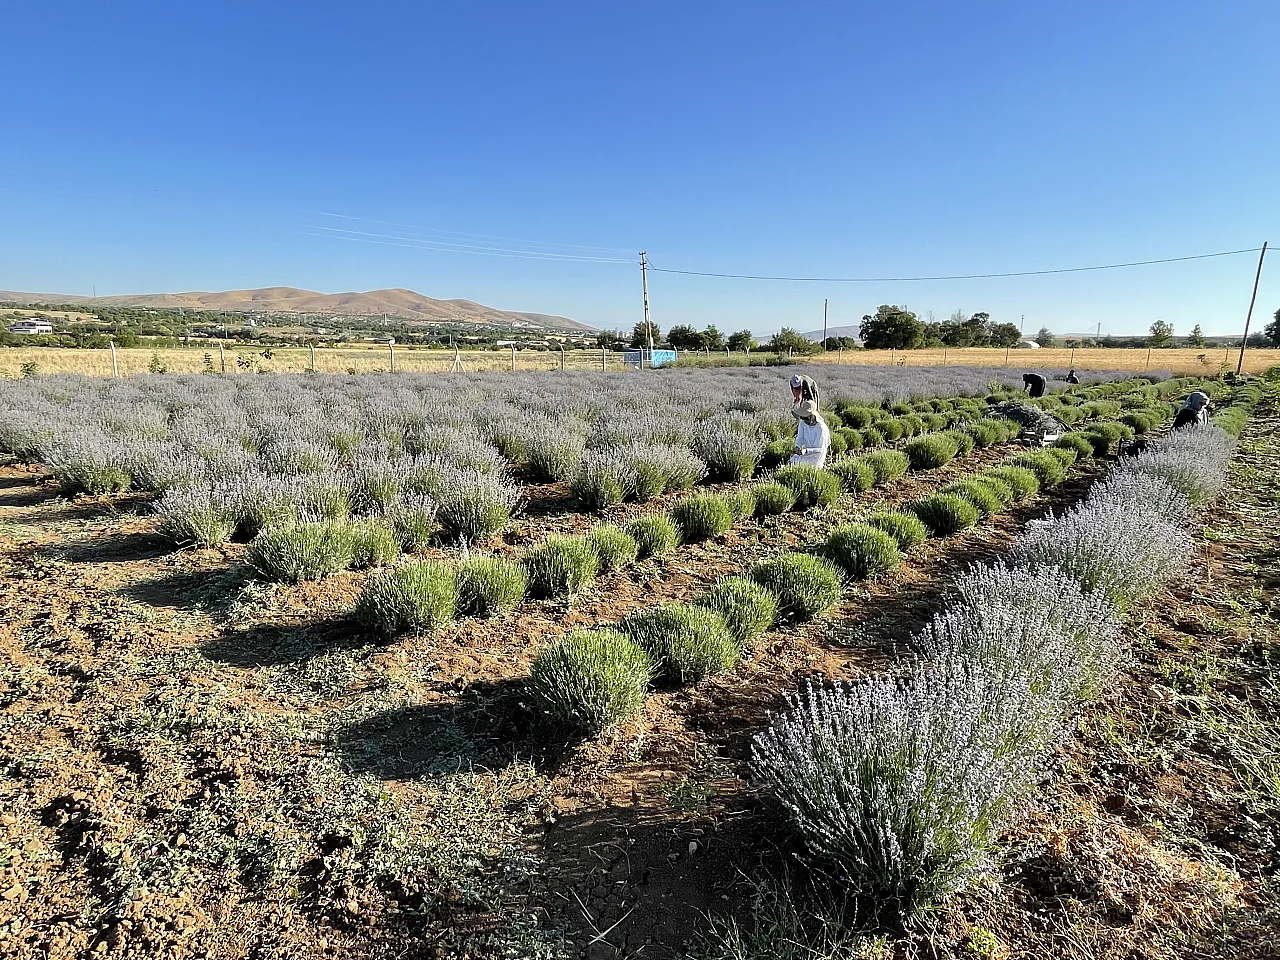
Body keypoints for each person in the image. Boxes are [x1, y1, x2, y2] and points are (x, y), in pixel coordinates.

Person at [790, 399, 831, 468]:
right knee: (792, 460)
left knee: (799, 464)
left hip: (817, 456)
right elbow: (800, 438)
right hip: (806, 453)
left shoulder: (821, 428)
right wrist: (797, 447)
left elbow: (821, 449)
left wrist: (806, 451)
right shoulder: (802, 424)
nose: (803, 418)